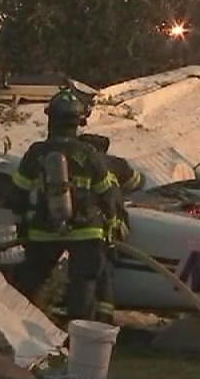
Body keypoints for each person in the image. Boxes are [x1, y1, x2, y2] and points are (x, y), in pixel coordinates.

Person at [8, 90, 118, 324]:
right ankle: (78, 337)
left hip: (43, 230)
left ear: (51, 120)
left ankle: (24, 329)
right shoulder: (89, 154)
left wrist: (24, 223)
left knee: (32, 282)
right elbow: (106, 194)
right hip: (86, 232)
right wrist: (111, 222)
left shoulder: (36, 153)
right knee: (83, 284)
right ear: (79, 122)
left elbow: (17, 195)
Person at [79, 132, 142, 321]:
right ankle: (102, 318)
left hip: (91, 226)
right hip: (117, 226)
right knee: (105, 273)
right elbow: (137, 182)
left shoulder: (81, 162)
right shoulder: (118, 164)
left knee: (90, 273)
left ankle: (87, 319)